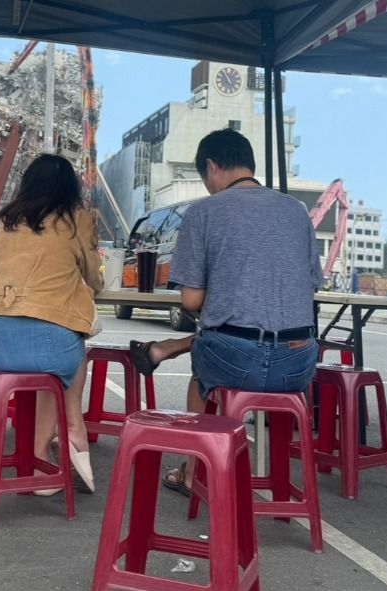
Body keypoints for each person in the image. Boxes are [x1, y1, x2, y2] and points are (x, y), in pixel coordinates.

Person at [128, 128, 323, 496]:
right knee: (222, 335)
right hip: (298, 364)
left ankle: (193, 471)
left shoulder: (204, 212)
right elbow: (309, 284)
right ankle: (275, 481)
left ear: (212, 167)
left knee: (207, 364)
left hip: (236, 360)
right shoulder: (297, 212)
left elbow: (191, 302)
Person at [0, 154, 103, 495]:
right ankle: (64, 434)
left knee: (64, 351)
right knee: (70, 353)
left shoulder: (5, 221)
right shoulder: (77, 219)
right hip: (51, 343)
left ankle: (59, 438)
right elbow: (94, 276)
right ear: (69, 187)